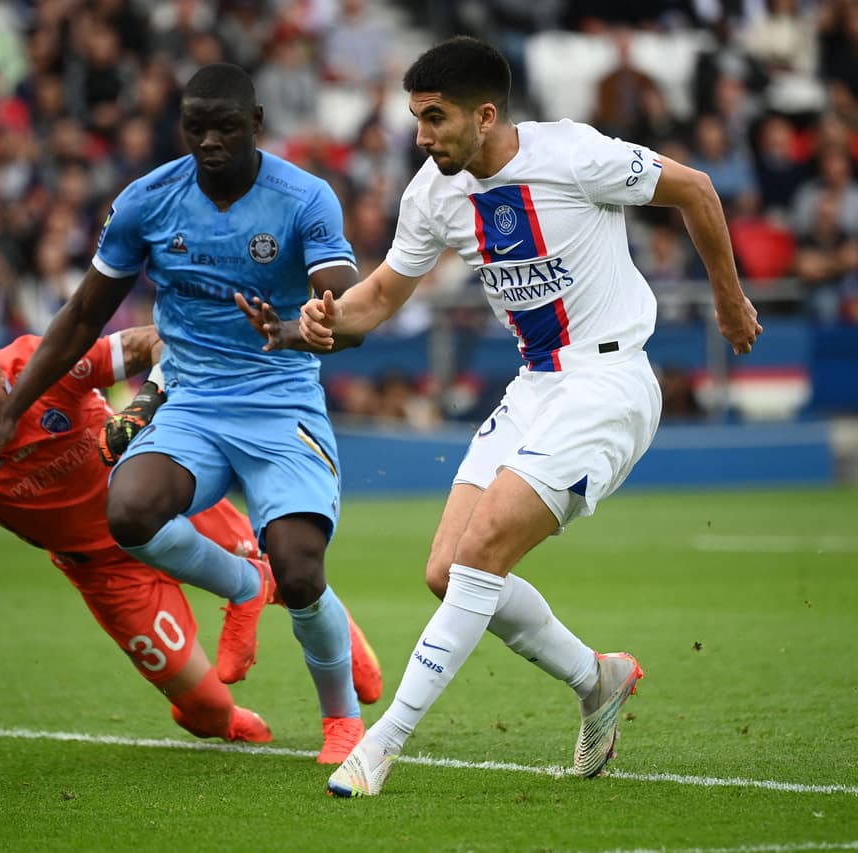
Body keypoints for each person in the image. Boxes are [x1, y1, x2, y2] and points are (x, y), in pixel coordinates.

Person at [289, 37, 761, 797]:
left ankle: (381, 745)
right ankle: (597, 677)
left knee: (479, 557)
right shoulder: (433, 193)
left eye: (434, 118)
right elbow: (376, 299)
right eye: (415, 119)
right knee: (447, 572)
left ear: (485, 114)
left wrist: (729, 299)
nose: (421, 136)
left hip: (608, 381)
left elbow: (698, 190)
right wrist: (328, 321)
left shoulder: (575, 154)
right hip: (536, 386)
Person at [0, 63, 371, 764]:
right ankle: (247, 585)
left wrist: (317, 316)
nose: (209, 141)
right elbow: (82, 314)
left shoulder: (305, 199)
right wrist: (11, 412)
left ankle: (341, 721)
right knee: (129, 512)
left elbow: (346, 301)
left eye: (225, 127)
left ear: (257, 125)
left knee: (303, 570)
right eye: (195, 128)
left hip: (280, 400)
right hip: (193, 398)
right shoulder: (146, 202)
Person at [0, 327, 380, 743]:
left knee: (291, 575)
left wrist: (145, 401)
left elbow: (159, 342)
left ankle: (341, 641)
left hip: (165, 503)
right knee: (207, 716)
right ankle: (226, 709)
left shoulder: (45, 363)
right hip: (105, 571)